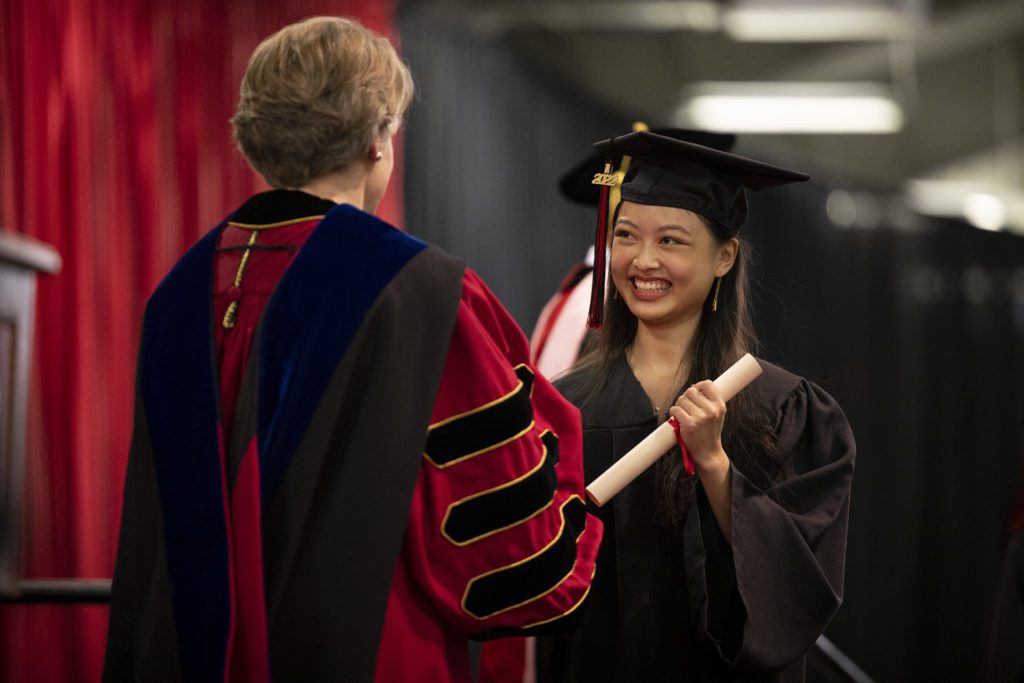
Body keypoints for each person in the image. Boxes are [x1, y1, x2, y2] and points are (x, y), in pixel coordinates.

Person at [103, 16, 602, 683]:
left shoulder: (179, 293)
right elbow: (505, 547)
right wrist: (579, 523)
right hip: (372, 653)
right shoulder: (419, 292)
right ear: (376, 137)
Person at [535, 130, 856, 682]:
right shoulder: (564, 406)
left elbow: (799, 585)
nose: (643, 260)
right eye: (627, 235)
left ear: (724, 256)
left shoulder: (784, 410)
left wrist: (714, 464)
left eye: (672, 241)